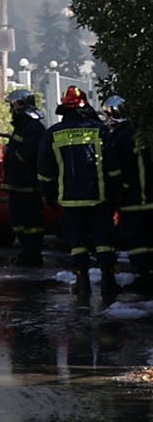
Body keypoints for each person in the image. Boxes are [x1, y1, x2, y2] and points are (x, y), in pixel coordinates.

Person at [39, 85, 121, 302]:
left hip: (70, 200)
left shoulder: (53, 134)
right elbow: (112, 166)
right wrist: (116, 192)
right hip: (100, 197)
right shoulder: (100, 129)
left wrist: (47, 195)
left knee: (77, 243)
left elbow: (45, 171)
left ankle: (82, 282)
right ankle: (108, 281)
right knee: (104, 240)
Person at [105, 96, 153, 294]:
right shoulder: (142, 134)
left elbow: (118, 170)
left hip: (132, 200)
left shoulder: (120, 138)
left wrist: (117, 192)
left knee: (136, 242)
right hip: (149, 198)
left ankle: (144, 276)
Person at [1, 87, 49, 266]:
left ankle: (33, 254)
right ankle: (26, 252)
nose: (11, 110)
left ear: (19, 106)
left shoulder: (33, 126)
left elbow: (27, 153)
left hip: (28, 183)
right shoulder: (23, 125)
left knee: (31, 222)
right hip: (18, 183)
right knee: (18, 220)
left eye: (12, 106)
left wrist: (11, 153)